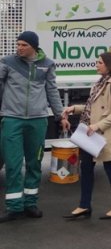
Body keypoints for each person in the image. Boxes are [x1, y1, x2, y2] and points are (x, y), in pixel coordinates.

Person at [0, 31, 70, 222]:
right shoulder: (7, 62)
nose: (19, 48)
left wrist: (60, 114)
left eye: (24, 45)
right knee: (13, 164)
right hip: (12, 119)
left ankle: (30, 203)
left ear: (34, 47)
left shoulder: (47, 64)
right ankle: (14, 207)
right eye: (18, 44)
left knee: (34, 163)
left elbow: (52, 90)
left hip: (38, 120)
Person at [60, 52, 111, 220]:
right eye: (96, 62)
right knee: (86, 168)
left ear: (109, 65)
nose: (96, 65)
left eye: (100, 62)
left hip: (105, 134)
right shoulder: (99, 83)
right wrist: (74, 108)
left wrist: (98, 125)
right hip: (91, 133)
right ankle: (84, 205)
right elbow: (93, 107)